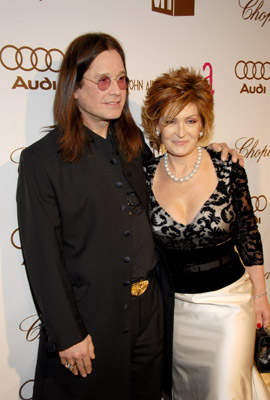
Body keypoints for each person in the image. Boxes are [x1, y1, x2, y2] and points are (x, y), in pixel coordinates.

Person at [17, 33, 240, 400]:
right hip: (92, 320)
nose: (116, 90)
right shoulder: (42, 161)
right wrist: (68, 334)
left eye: (121, 79)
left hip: (151, 316)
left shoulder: (133, 145)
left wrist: (212, 153)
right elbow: (43, 260)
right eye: (102, 80)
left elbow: (176, 176)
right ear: (74, 88)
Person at [141, 67, 270, 400]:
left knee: (224, 390)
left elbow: (248, 234)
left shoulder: (227, 165)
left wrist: (260, 295)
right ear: (156, 125)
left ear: (203, 124)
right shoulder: (143, 176)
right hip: (177, 310)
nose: (180, 132)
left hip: (229, 306)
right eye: (170, 121)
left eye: (190, 120)